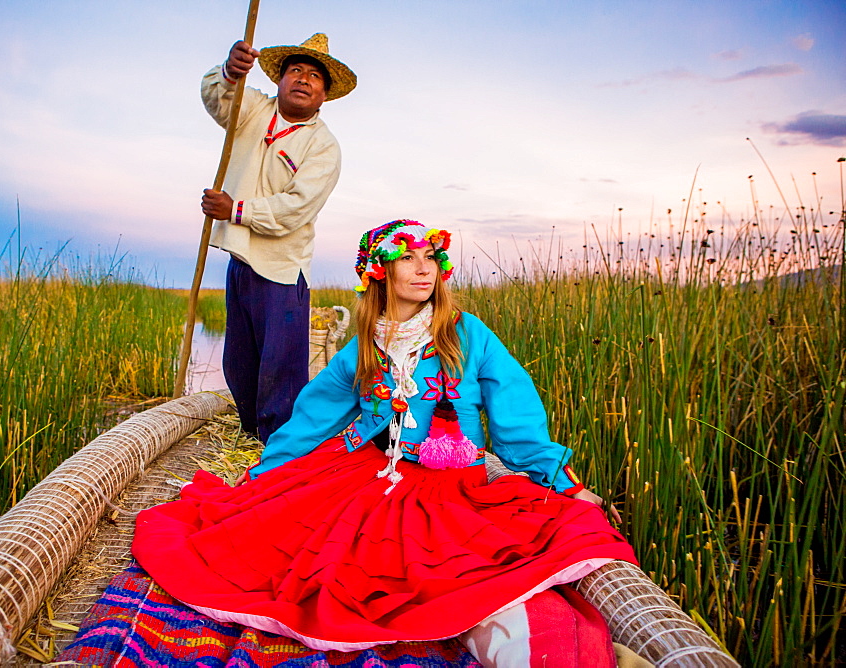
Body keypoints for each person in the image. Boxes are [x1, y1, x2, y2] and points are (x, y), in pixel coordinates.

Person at [134, 220, 638, 666]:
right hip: (368, 471)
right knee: (312, 562)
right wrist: (269, 474)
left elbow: (516, 416)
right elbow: (313, 416)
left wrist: (558, 481)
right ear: (379, 272)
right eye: (407, 259)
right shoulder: (364, 346)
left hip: (448, 480)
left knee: (477, 557)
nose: (425, 270)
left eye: (431, 259)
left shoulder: (469, 335)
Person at [200, 33, 356, 443]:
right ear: (280, 80)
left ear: (324, 95)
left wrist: (236, 210)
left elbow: (296, 208)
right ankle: (251, 435)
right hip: (241, 261)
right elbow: (220, 101)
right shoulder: (253, 109)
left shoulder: (324, 146)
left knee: (281, 368)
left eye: (314, 77)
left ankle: (280, 447)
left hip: (284, 269)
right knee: (240, 361)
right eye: (295, 71)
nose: (303, 80)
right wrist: (229, 74)